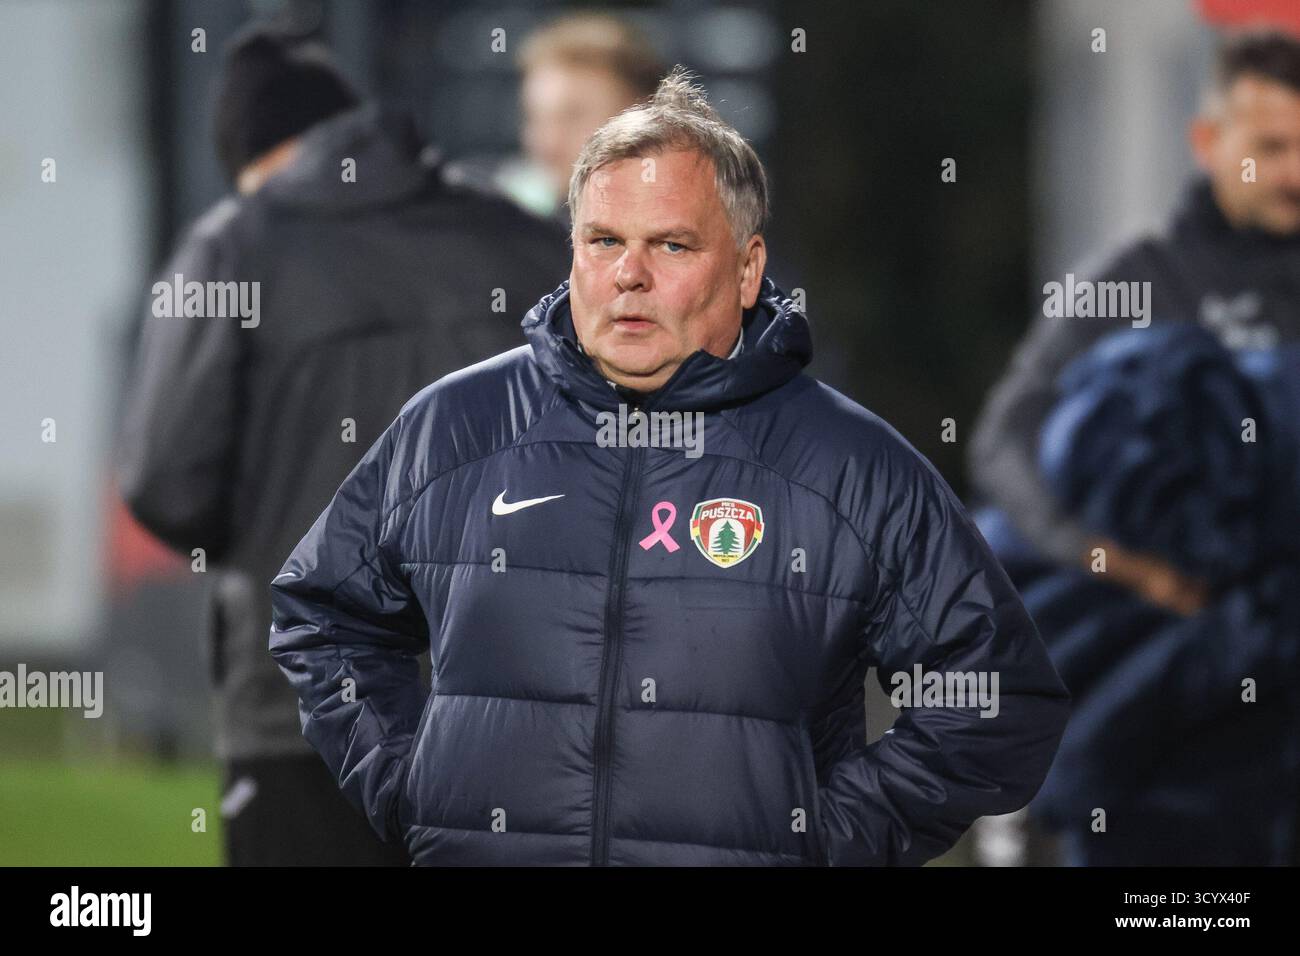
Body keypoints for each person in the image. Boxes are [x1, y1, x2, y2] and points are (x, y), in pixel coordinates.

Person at [269, 66, 1070, 866]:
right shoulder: (454, 429)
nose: (630, 275)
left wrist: (828, 840)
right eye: (604, 241)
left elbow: (995, 699)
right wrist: (414, 791)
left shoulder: (852, 469)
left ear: (749, 269)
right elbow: (321, 613)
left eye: (672, 245)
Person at [115, 23, 570, 865]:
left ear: (254, 158)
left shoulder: (234, 246)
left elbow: (164, 480)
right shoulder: (528, 242)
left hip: (301, 709)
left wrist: (266, 533)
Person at [969, 29, 1300, 617]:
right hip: (1170, 648)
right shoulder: (1136, 281)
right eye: (1271, 149)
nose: (1293, 174)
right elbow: (1005, 441)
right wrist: (1118, 565)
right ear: (1208, 141)